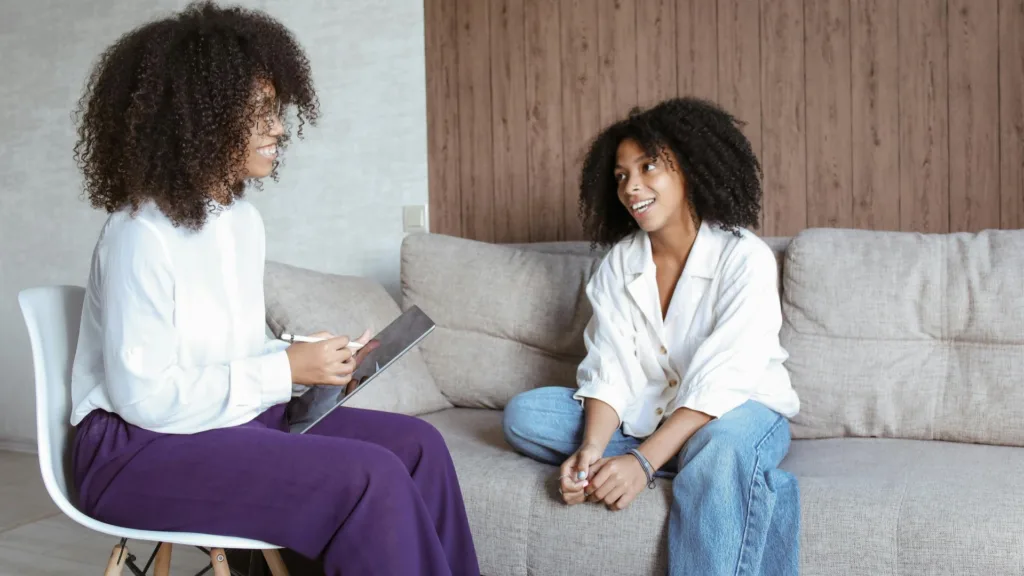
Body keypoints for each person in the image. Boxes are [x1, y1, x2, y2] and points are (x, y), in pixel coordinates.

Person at [68, 3, 479, 575]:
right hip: (134, 451)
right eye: (260, 113)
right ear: (199, 118)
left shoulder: (239, 222)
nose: (280, 129)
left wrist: (306, 356)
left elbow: (220, 357)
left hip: (219, 422)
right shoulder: (139, 236)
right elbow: (145, 399)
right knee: (369, 477)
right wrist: (285, 371)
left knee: (418, 447)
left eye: (277, 111)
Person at [502, 97, 801, 575]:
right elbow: (610, 366)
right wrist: (593, 452)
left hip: (740, 409)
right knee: (526, 415)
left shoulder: (744, 257)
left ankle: (711, 464)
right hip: (647, 414)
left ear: (689, 169)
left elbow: (722, 381)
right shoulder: (619, 263)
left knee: (721, 444)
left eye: (648, 167)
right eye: (621, 175)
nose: (632, 187)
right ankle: (713, 471)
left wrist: (641, 465)